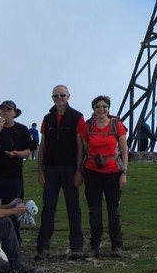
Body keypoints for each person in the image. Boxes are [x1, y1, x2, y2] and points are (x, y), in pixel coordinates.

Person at [35, 85, 86, 261]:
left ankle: (77, 247)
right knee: (48, 208)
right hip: (50, 168)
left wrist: (79, 171)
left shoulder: (77, 117)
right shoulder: (47, 118)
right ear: (52, 98)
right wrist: (40, 170)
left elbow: (80, 146)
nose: (59, 98)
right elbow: (43, 146)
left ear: (68, 96)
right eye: (56, 95)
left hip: (70, 168)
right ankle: (42, 248)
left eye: (62, 95)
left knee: (73, 207)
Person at [78, 95, 128, 258]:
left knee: (114, 211)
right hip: (92, 173)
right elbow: (84, 150)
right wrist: (79, 170)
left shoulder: (116, 126)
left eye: (104, 106)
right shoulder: (88, 127)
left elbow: (124, 150)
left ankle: (117, 246)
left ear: (109, 108)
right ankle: (94, 246)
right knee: (94, 211)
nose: (101, 109)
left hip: (113, 173)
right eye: (98, 106)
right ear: (93, 109)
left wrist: (124, 173)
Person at [0, 100, 31, 242]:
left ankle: (14, 242)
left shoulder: (22, 130)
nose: (5, 113)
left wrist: (16, 154)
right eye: (3, 110)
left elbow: (28, 152)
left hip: (14, 177)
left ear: (15, 113)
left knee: (14, 211)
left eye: (8, 110)